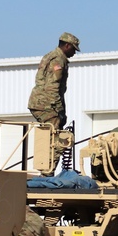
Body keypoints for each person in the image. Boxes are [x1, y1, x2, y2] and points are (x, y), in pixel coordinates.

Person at [28, 32, 80, 173]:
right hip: (46, 104)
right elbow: (52, 87)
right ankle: (47, 173)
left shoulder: (50, 56)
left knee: (49, 136)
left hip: (40, 102)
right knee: (60, 138)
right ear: (67, 45)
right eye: (73, 49)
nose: (74, 53)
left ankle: (46, 170)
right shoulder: (59, 59)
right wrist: (59, 110)